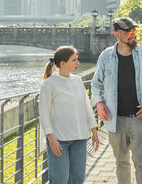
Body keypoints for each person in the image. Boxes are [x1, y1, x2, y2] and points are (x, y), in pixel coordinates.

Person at [91, 17, 142, 184]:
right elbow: (95, 84)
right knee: (121, 163)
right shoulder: (106, 56)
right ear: (117, 34)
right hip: (115, 121)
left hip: (140, 119)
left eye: (135, 31)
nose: (133, 35)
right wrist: (99, 103)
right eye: (129, 32)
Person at [39, 45, 99, 184]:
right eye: (74, 60)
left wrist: (94, 130)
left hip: (80, 138)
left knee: (77, 179)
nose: (78, 63)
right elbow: (44, 114)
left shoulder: (77, 80)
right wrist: (51, 138)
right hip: (59, 139)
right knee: (60, 179)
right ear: (62, 63)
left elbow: (86, 107)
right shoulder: (49, 84)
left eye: (77, 59)